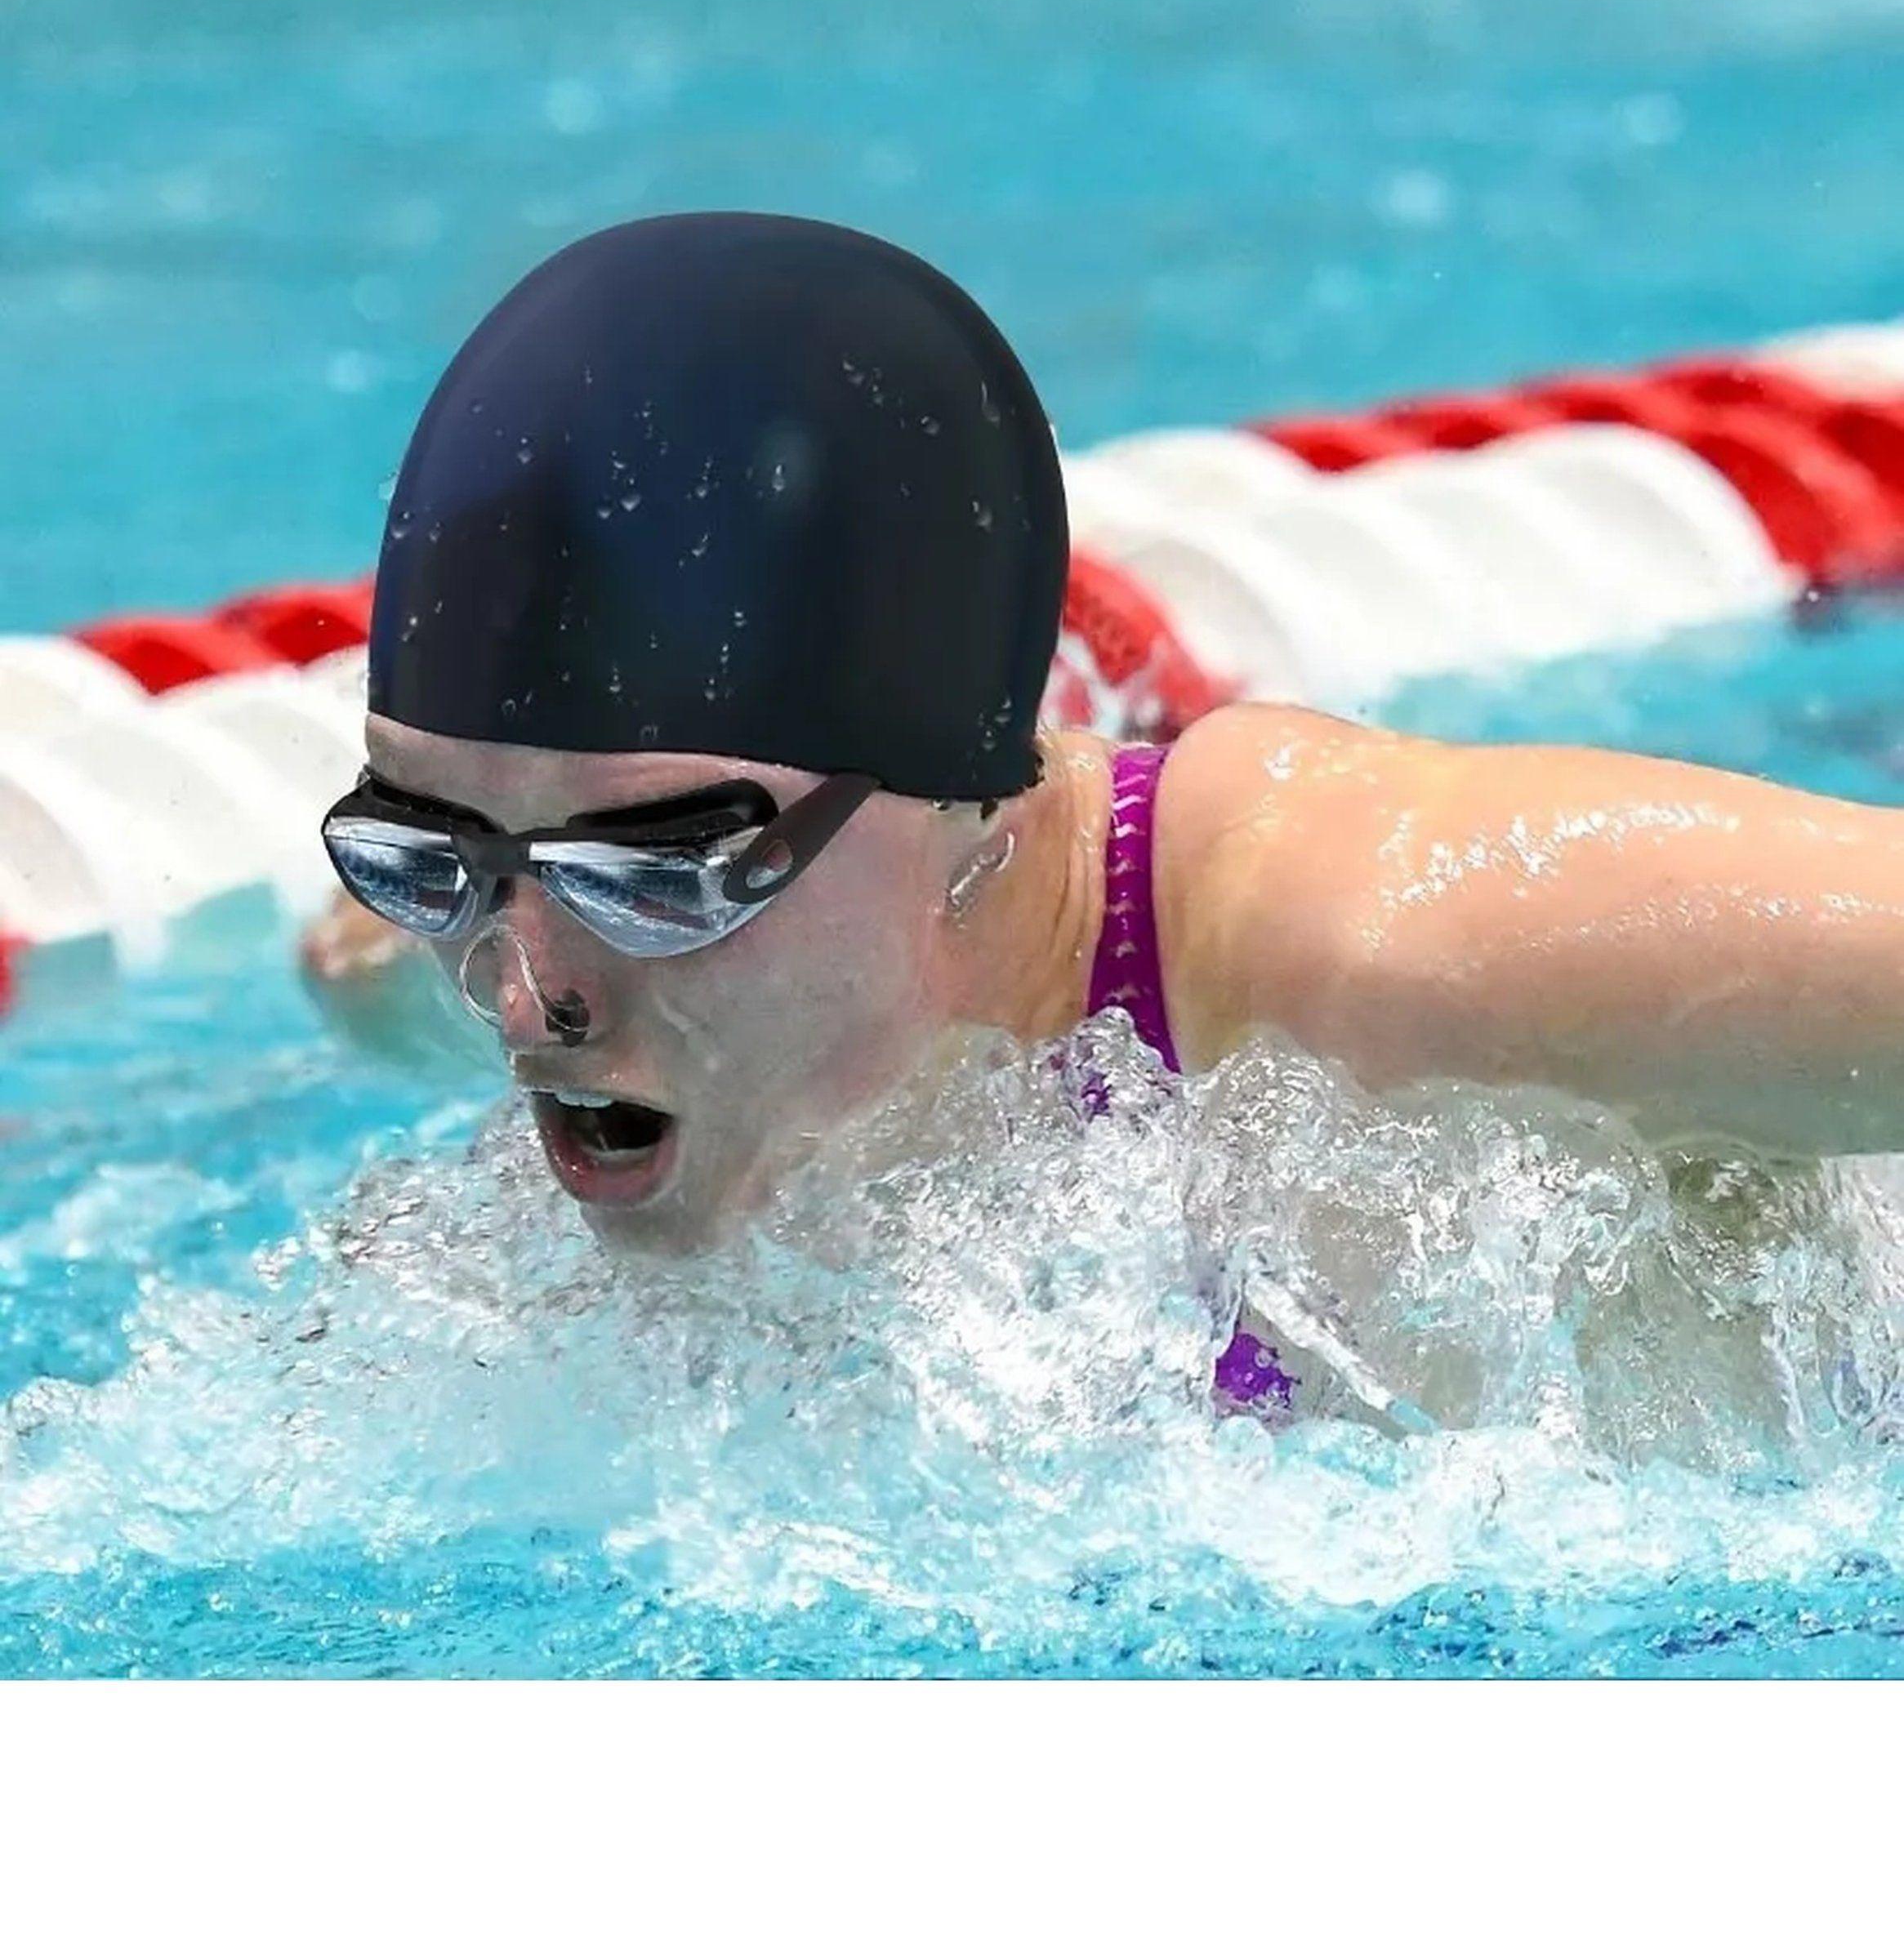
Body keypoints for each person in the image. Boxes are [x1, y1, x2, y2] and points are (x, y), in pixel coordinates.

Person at [310, 213, 1904, 1389]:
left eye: (655, 875)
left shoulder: (1381, 949)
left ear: (971, 806)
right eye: (428, 855)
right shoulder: (477, 974)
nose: (524, 999)